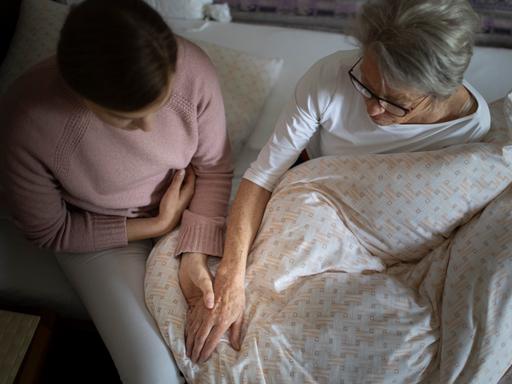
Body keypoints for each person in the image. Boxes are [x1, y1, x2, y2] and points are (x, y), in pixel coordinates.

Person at [183, 0, 489, 364]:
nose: (373, 110)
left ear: (438, 92)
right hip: (310, 193)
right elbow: (264, 175)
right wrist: (232, 281)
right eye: (367, 85)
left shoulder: (470, 129)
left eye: (395, 103)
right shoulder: (331, 75)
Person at [0, 0, 232, 382]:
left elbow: (214, 168)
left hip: (190, 207)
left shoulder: (194, 69)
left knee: (229, 343)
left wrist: (194, 252)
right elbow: (51, 230)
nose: (148, 128)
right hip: (103, 237)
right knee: (152, 373)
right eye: (128, 118)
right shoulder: (25, 120)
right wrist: (157, 225)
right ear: (82, 95)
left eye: (157, 107)